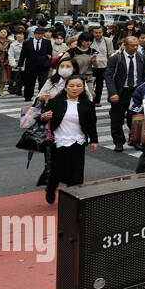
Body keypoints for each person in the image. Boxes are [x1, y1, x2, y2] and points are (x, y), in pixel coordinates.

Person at [37, 75, 99, 204]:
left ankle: (73, 198)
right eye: (71, 86)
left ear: (83, 88)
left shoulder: (87, 104)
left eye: (78, 86)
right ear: (65, 88)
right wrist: (43, 116)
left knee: (76, 172)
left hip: (78, 141)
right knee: (57, 171)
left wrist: (94, 140)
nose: (74, 89)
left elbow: (92, 123)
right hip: (59, 141)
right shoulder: (55, 102)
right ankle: (51, 188)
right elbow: (39, 118)